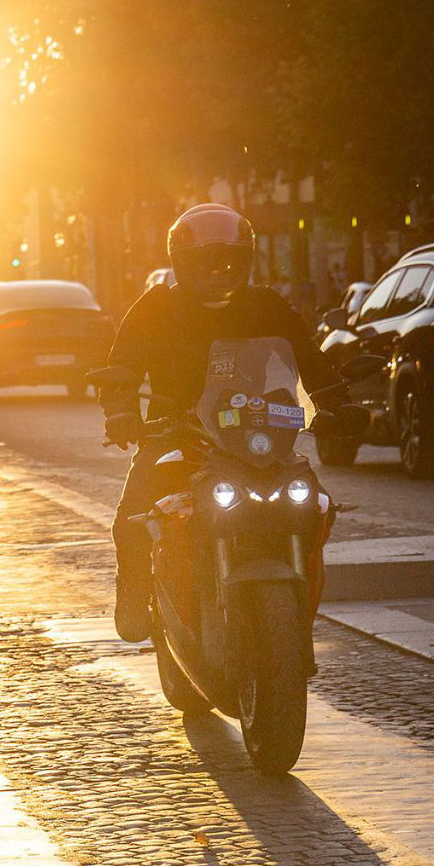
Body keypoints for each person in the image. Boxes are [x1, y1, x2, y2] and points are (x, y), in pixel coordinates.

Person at [99, 204, 347, 643]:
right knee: (133, 516)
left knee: (317, 504)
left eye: (229, 262)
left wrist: (338, 403)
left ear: (245, 261)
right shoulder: (156, 308)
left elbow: (310, 359)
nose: (217, 272)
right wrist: (122, 414)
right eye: (205, 262)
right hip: (176, 433)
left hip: (255, 432)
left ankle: (299, 597)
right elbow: (122, 368)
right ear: (182, 263)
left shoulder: (266, 305)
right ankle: (134, 595)